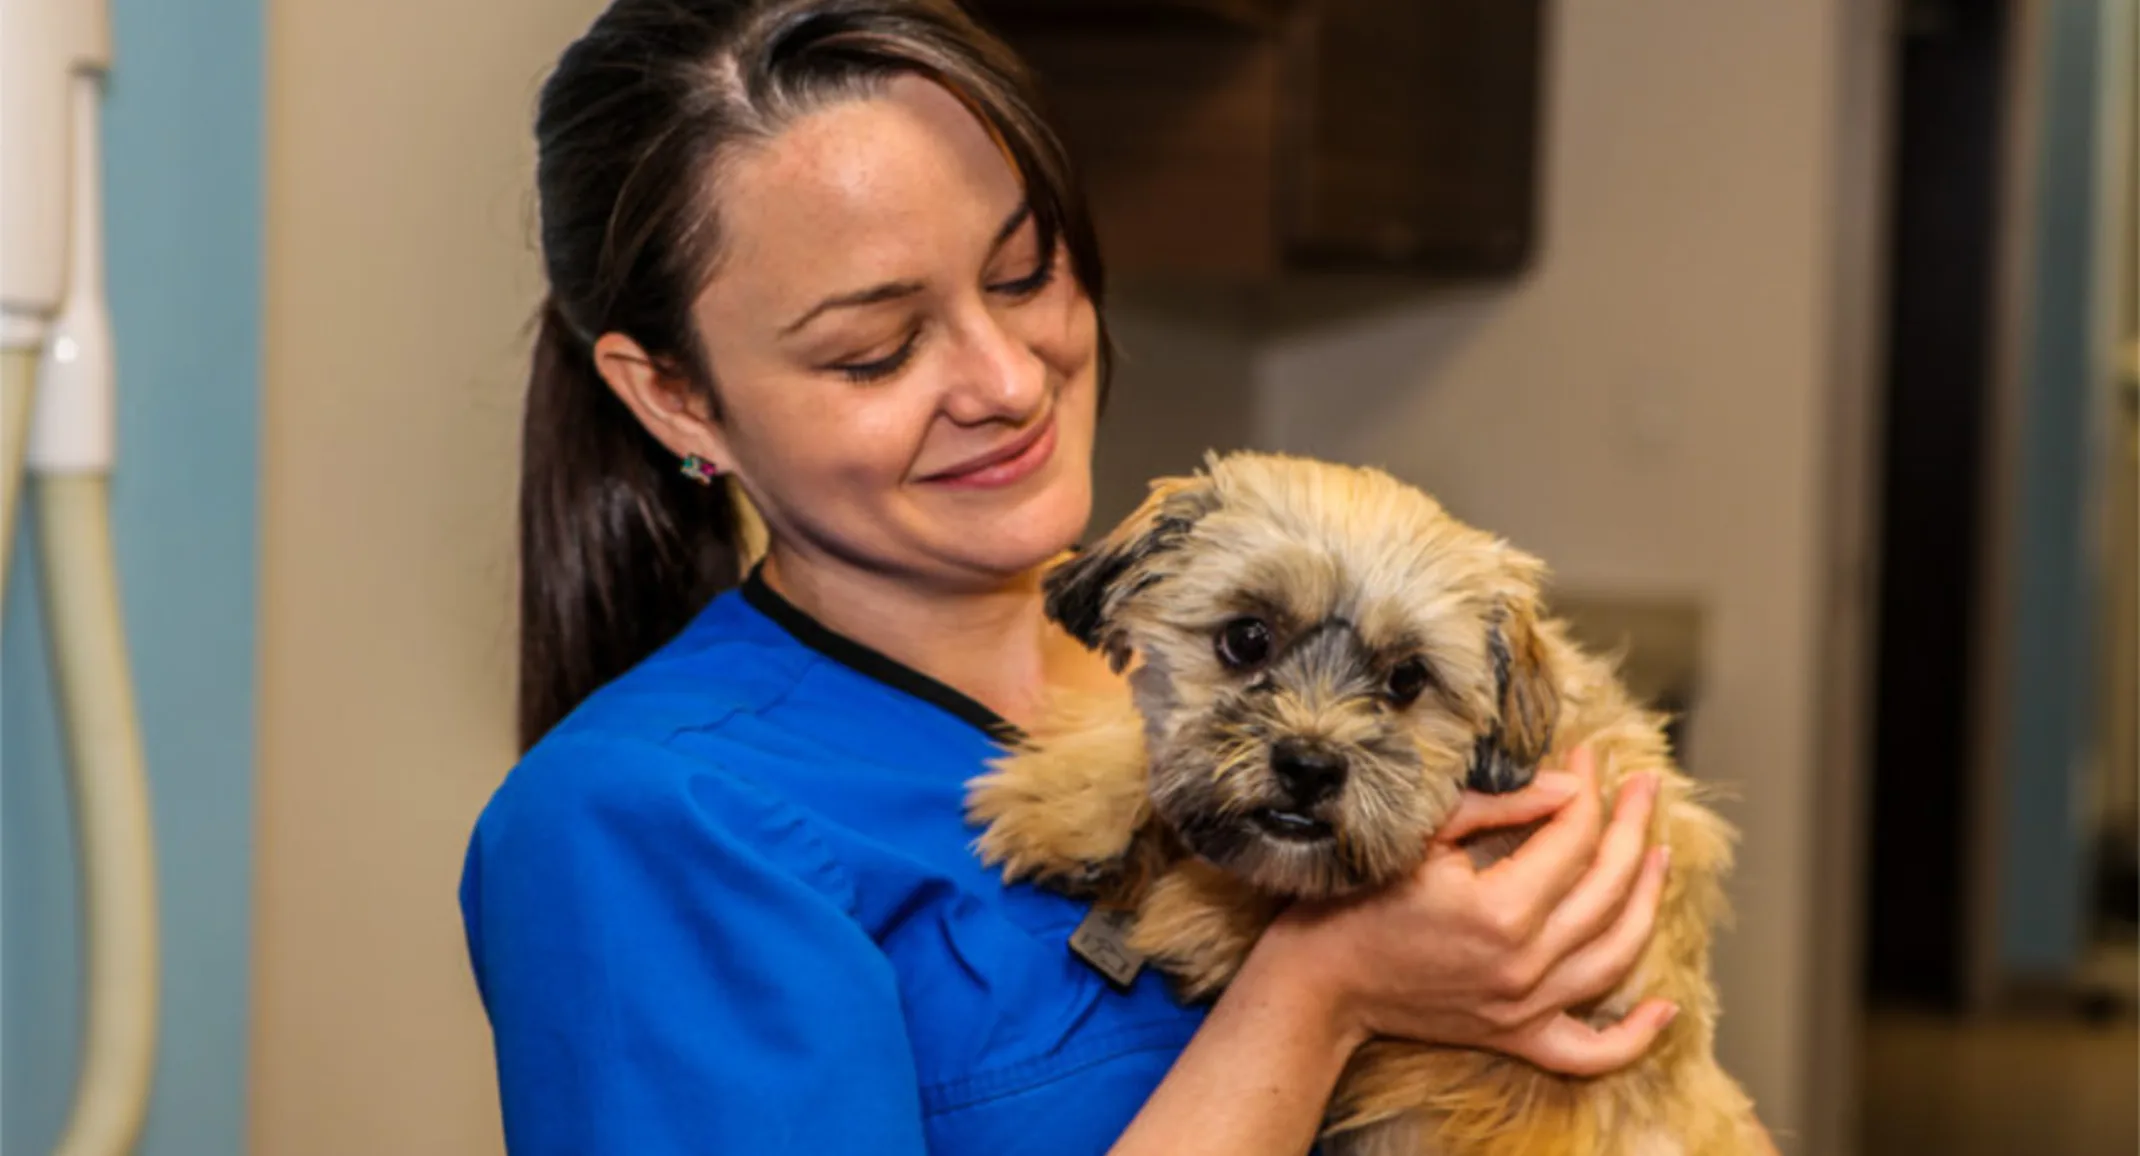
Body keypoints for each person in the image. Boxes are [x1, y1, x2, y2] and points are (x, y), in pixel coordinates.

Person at [456, 2, 1729, 1152]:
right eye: (875, 349)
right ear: (674, 396)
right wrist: (1321, 991)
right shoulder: (640, 825)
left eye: (1024, 274)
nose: (1008, 381)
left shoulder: (1162, 651)